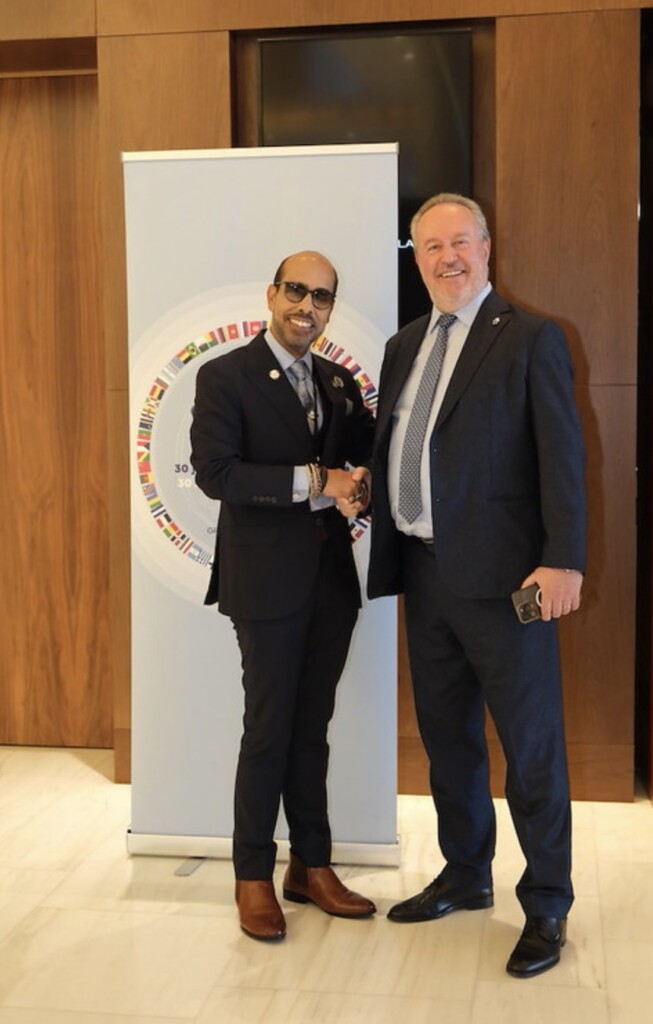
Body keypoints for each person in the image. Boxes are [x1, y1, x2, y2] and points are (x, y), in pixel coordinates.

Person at [364, 193, 586, 978]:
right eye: (430, 246)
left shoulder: (529, 337)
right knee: (447, 740)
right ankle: (465, 874)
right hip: (423, 575)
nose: (446, 257)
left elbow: (561, 456)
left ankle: (547, 903)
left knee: (530, 749)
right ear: (416, 258)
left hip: (508, 585)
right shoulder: (402, 346)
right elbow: (409, 446)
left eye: (459, 241)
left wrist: (563, 560)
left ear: (486, 248)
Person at [190, 250, 376, 942]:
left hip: (331, 581)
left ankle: (311, 866)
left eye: (321, 297)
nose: (307, 306)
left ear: (330, 309)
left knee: (311, 730)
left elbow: (368, 451)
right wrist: (319, 481)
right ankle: (251, 877)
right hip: (264, 583)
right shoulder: (225, 376)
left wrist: (360, 480)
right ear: (271, 294)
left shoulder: (337, 381)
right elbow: (217, 474)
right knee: (268, 730)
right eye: (297, 291)